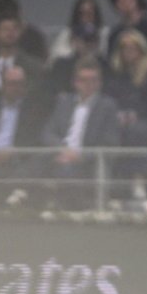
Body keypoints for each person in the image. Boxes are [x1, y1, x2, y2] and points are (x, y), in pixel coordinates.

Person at [40, 57, 121, 199]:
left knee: (66, 171)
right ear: (75, 82)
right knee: (30, 164)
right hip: (60, 154)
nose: (88, 84)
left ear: (99, 83)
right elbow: (48, 132)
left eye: (93, 80)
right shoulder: (64, 102)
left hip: (87, 162)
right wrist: (62, 150)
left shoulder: (107, 106)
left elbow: (109, 143)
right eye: (83, 80)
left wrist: (78, 156)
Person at [51, 0, 110, 65]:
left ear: (95, 14)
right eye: (81, 13)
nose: (85, 18)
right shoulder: (67, 34)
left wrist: (94, 50)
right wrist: (75, 50)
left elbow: (110, 58)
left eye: (89, 13)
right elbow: (54, 59)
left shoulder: (105, 33)